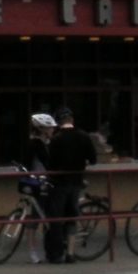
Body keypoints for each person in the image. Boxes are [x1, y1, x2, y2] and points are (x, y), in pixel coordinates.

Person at [45, 107, 97, 264]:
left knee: (56, 218)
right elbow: (93, 159)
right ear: (72, 120)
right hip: (76, 181)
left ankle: (56, 254)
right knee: (71, 217)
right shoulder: (84, 136)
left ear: (58, 122)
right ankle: (71, 253)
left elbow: (50, 163)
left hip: (59, 182)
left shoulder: (56, 139)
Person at [24, 113, 56, 263]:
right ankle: (33, 251)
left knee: (39, 216)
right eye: (50, 128)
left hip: (39, 181)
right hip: (40, 182)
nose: (52, 130)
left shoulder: (40, 143)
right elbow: (48, 162)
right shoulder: (37, 144)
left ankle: (37, 250)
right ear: (42, 129)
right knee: (38, 217)